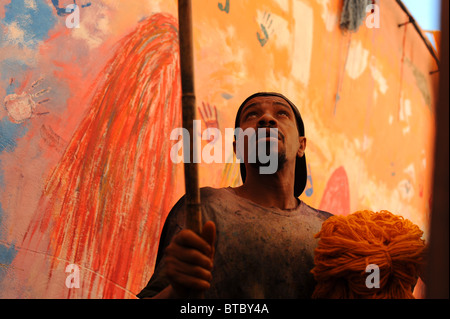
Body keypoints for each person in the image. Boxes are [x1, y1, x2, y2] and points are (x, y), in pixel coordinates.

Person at [137, 92, 333, 299]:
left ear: (301, 145)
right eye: (252, 115)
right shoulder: (205, 205)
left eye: (282, 113)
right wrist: (177, 292)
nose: (267, 118)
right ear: (237, 146)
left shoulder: (330, 231)